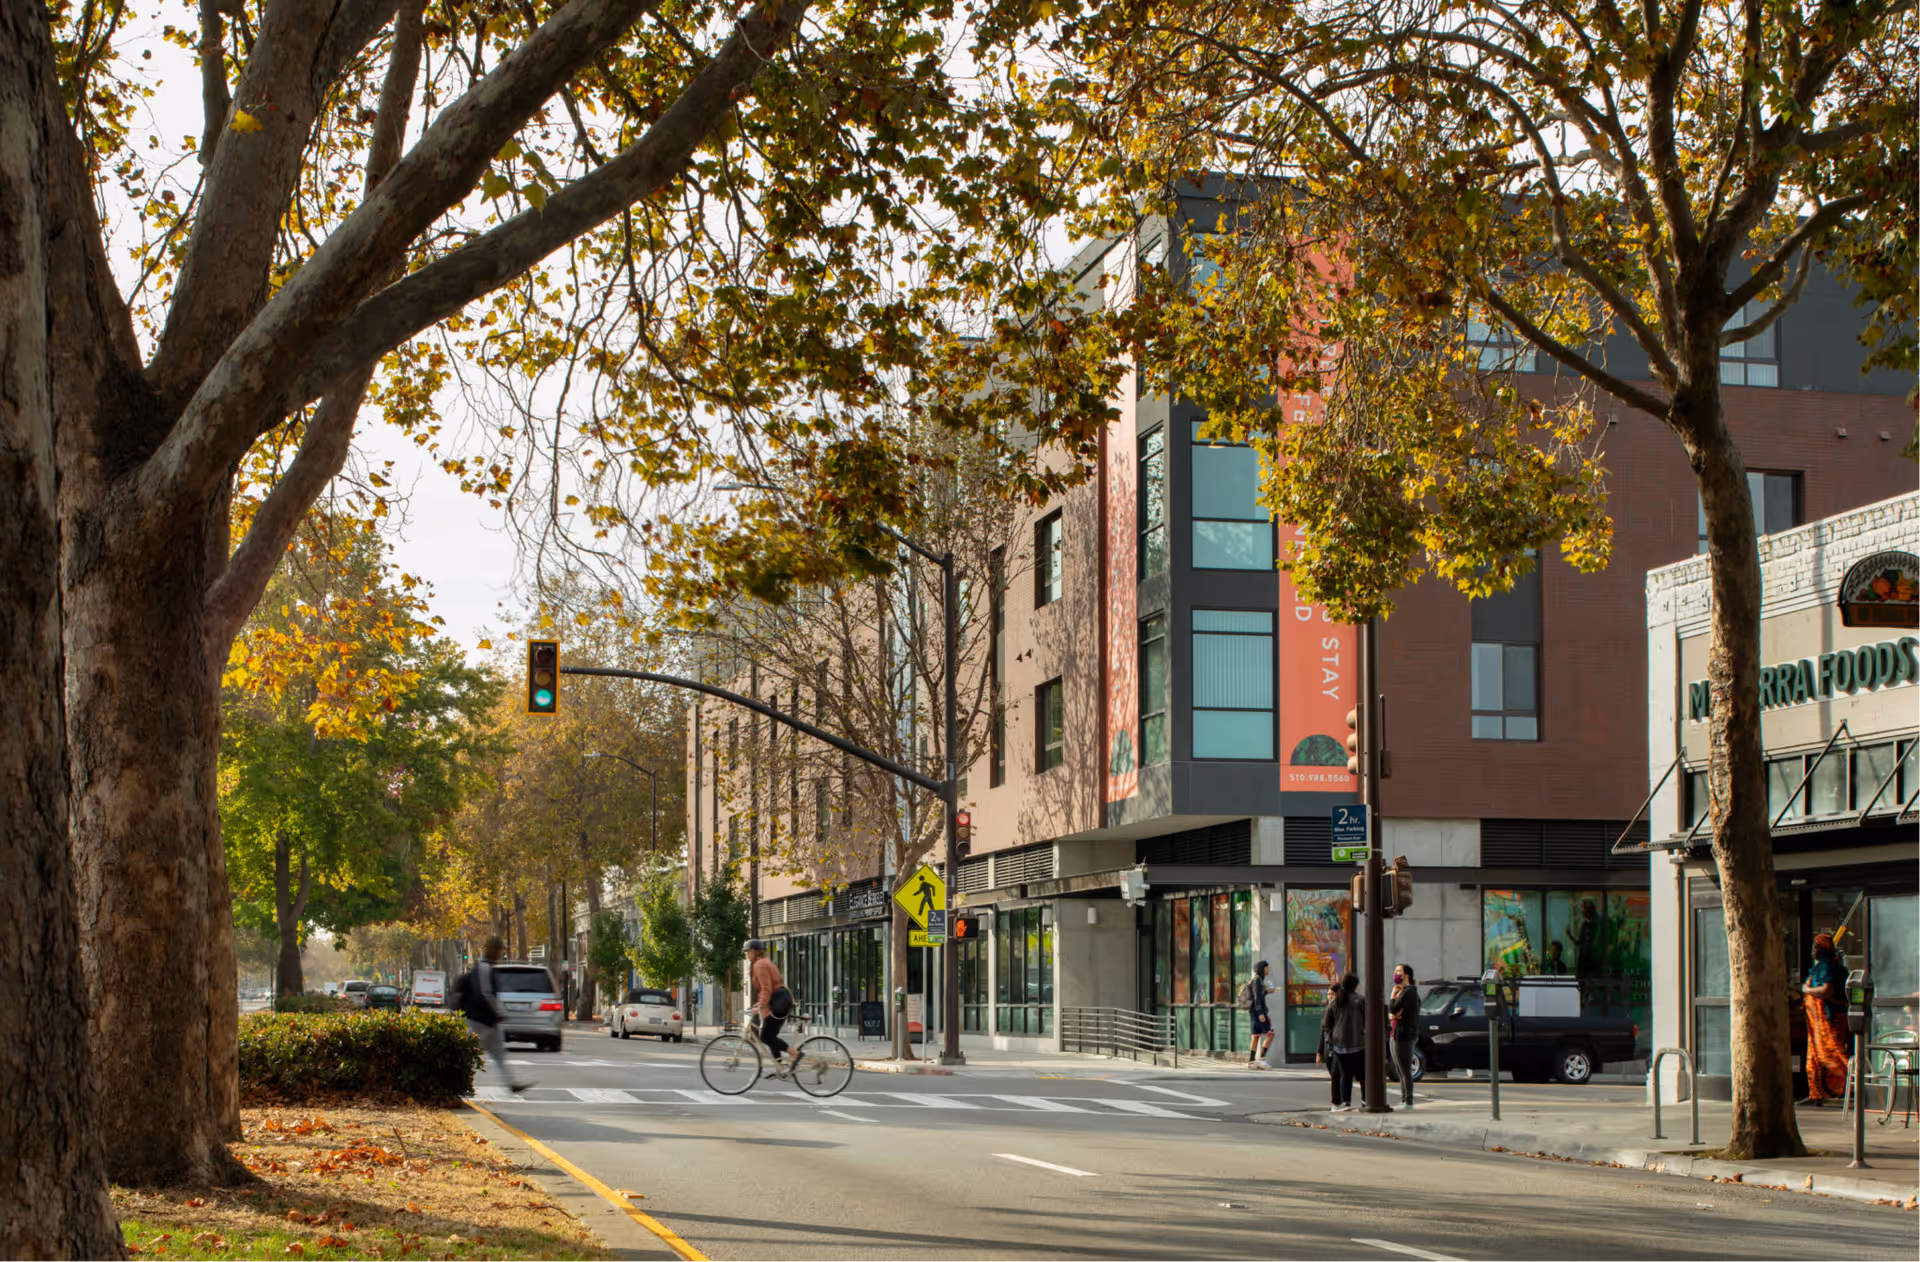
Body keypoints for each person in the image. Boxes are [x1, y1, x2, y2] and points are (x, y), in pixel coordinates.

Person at [460, 937, 531, 1094]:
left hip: (483, 1019)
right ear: (492, 950)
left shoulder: (482, 967)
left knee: (495, 1052)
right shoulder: (485, 967)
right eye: (500, 951)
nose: (500, 955)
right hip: (481, 1019)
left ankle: (510, 1083)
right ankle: (458, 1082)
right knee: (471, 1052)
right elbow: (485, 993)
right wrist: (497, 1011)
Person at [1800, 932, 1850, 1106]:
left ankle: (1852, 1086)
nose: (1812, 950)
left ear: (1821, 950)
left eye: (1815, 947)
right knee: (1815, 1057)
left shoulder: (1826, 967)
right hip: (1821, 1021)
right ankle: (1816, 1093)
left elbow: (1826, 990)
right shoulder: (1830, 966)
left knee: (1831, 1054)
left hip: (1828, 1020)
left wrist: (1806, 990)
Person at [745, 939, 800, 1077]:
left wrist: (761, 1005)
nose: (747, 954)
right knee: (769, 1037)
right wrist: (759, 1004)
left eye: (749, 951)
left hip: (779, 1002)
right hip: (778, 1001)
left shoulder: (760, 965)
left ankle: (795, 1055)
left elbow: (766, 988)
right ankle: (779, 1067)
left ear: (756, 951)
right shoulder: (762, 963)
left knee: (766, 1037)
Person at [1318, 973, 1366, 1111]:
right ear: (1356, 985)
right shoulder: (1361, 1000)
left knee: (1345, 1074)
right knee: (1362, 1075)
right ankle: (1365, 1100)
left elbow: (1326, 1023)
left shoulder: (1335, 1001)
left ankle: (1346, 1102)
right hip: (1358, 1043)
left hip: (1339, 1044)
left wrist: (1330, 1038)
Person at [1388, 963, 1421, 1107]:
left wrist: (1392, 996)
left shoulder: (1409, 992)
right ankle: (1404, 1099)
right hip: (1395, 1033)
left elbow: (1393, 1009)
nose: (1396, 973)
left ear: (1406, 974)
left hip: (1404, 1035)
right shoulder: (1404, 992)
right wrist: (1394, 1015)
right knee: (1399, 1070)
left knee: (1404, 1070)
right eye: (1395, 971)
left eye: (1398, 971)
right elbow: (1393, 1013)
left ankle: (1408, 1101)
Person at [1242, 961, 1278, 1069]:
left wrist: (1266, 991)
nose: (1268, 970)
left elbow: (1257, 995)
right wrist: (1261, 1013)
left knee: (1255, 1036)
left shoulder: (1257, 980)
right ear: (1262, 968)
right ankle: (1261, 1059)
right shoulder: (1258, 980)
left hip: (1253, 1013)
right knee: (1270, 1035)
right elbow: (1257, 997)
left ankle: (1251, 1062)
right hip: (1258, 1012)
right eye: (1267, 968)